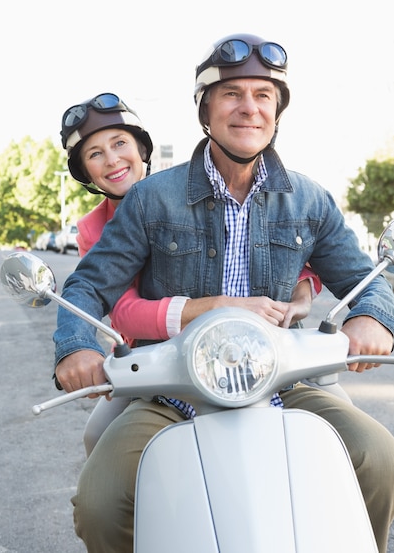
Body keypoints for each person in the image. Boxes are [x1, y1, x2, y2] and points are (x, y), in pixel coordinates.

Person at [54, 33, 394, 553]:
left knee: (377, 457)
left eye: (263, 95)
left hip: (283, 379)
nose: (249, 108)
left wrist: (372, 317)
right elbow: (89, 284)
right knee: (101, 502)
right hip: (173, 387)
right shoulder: (150, 199)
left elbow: (365, 278)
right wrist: (77, 345)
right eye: (232, 94)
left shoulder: (309, 198)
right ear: (205, 111)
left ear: (277, 111)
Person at [61, 91, 321, 456]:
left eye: (120, 143)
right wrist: (214, 306)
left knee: (346, 431)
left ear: (142, 150)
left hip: (238, 348)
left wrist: (304, 287)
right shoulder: (92, 229)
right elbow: (121, 311)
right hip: (153, 361)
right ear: (85, 172)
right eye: (95, 154)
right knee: (99, 440)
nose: (112, 159)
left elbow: (267, 247)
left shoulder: (182, 193)